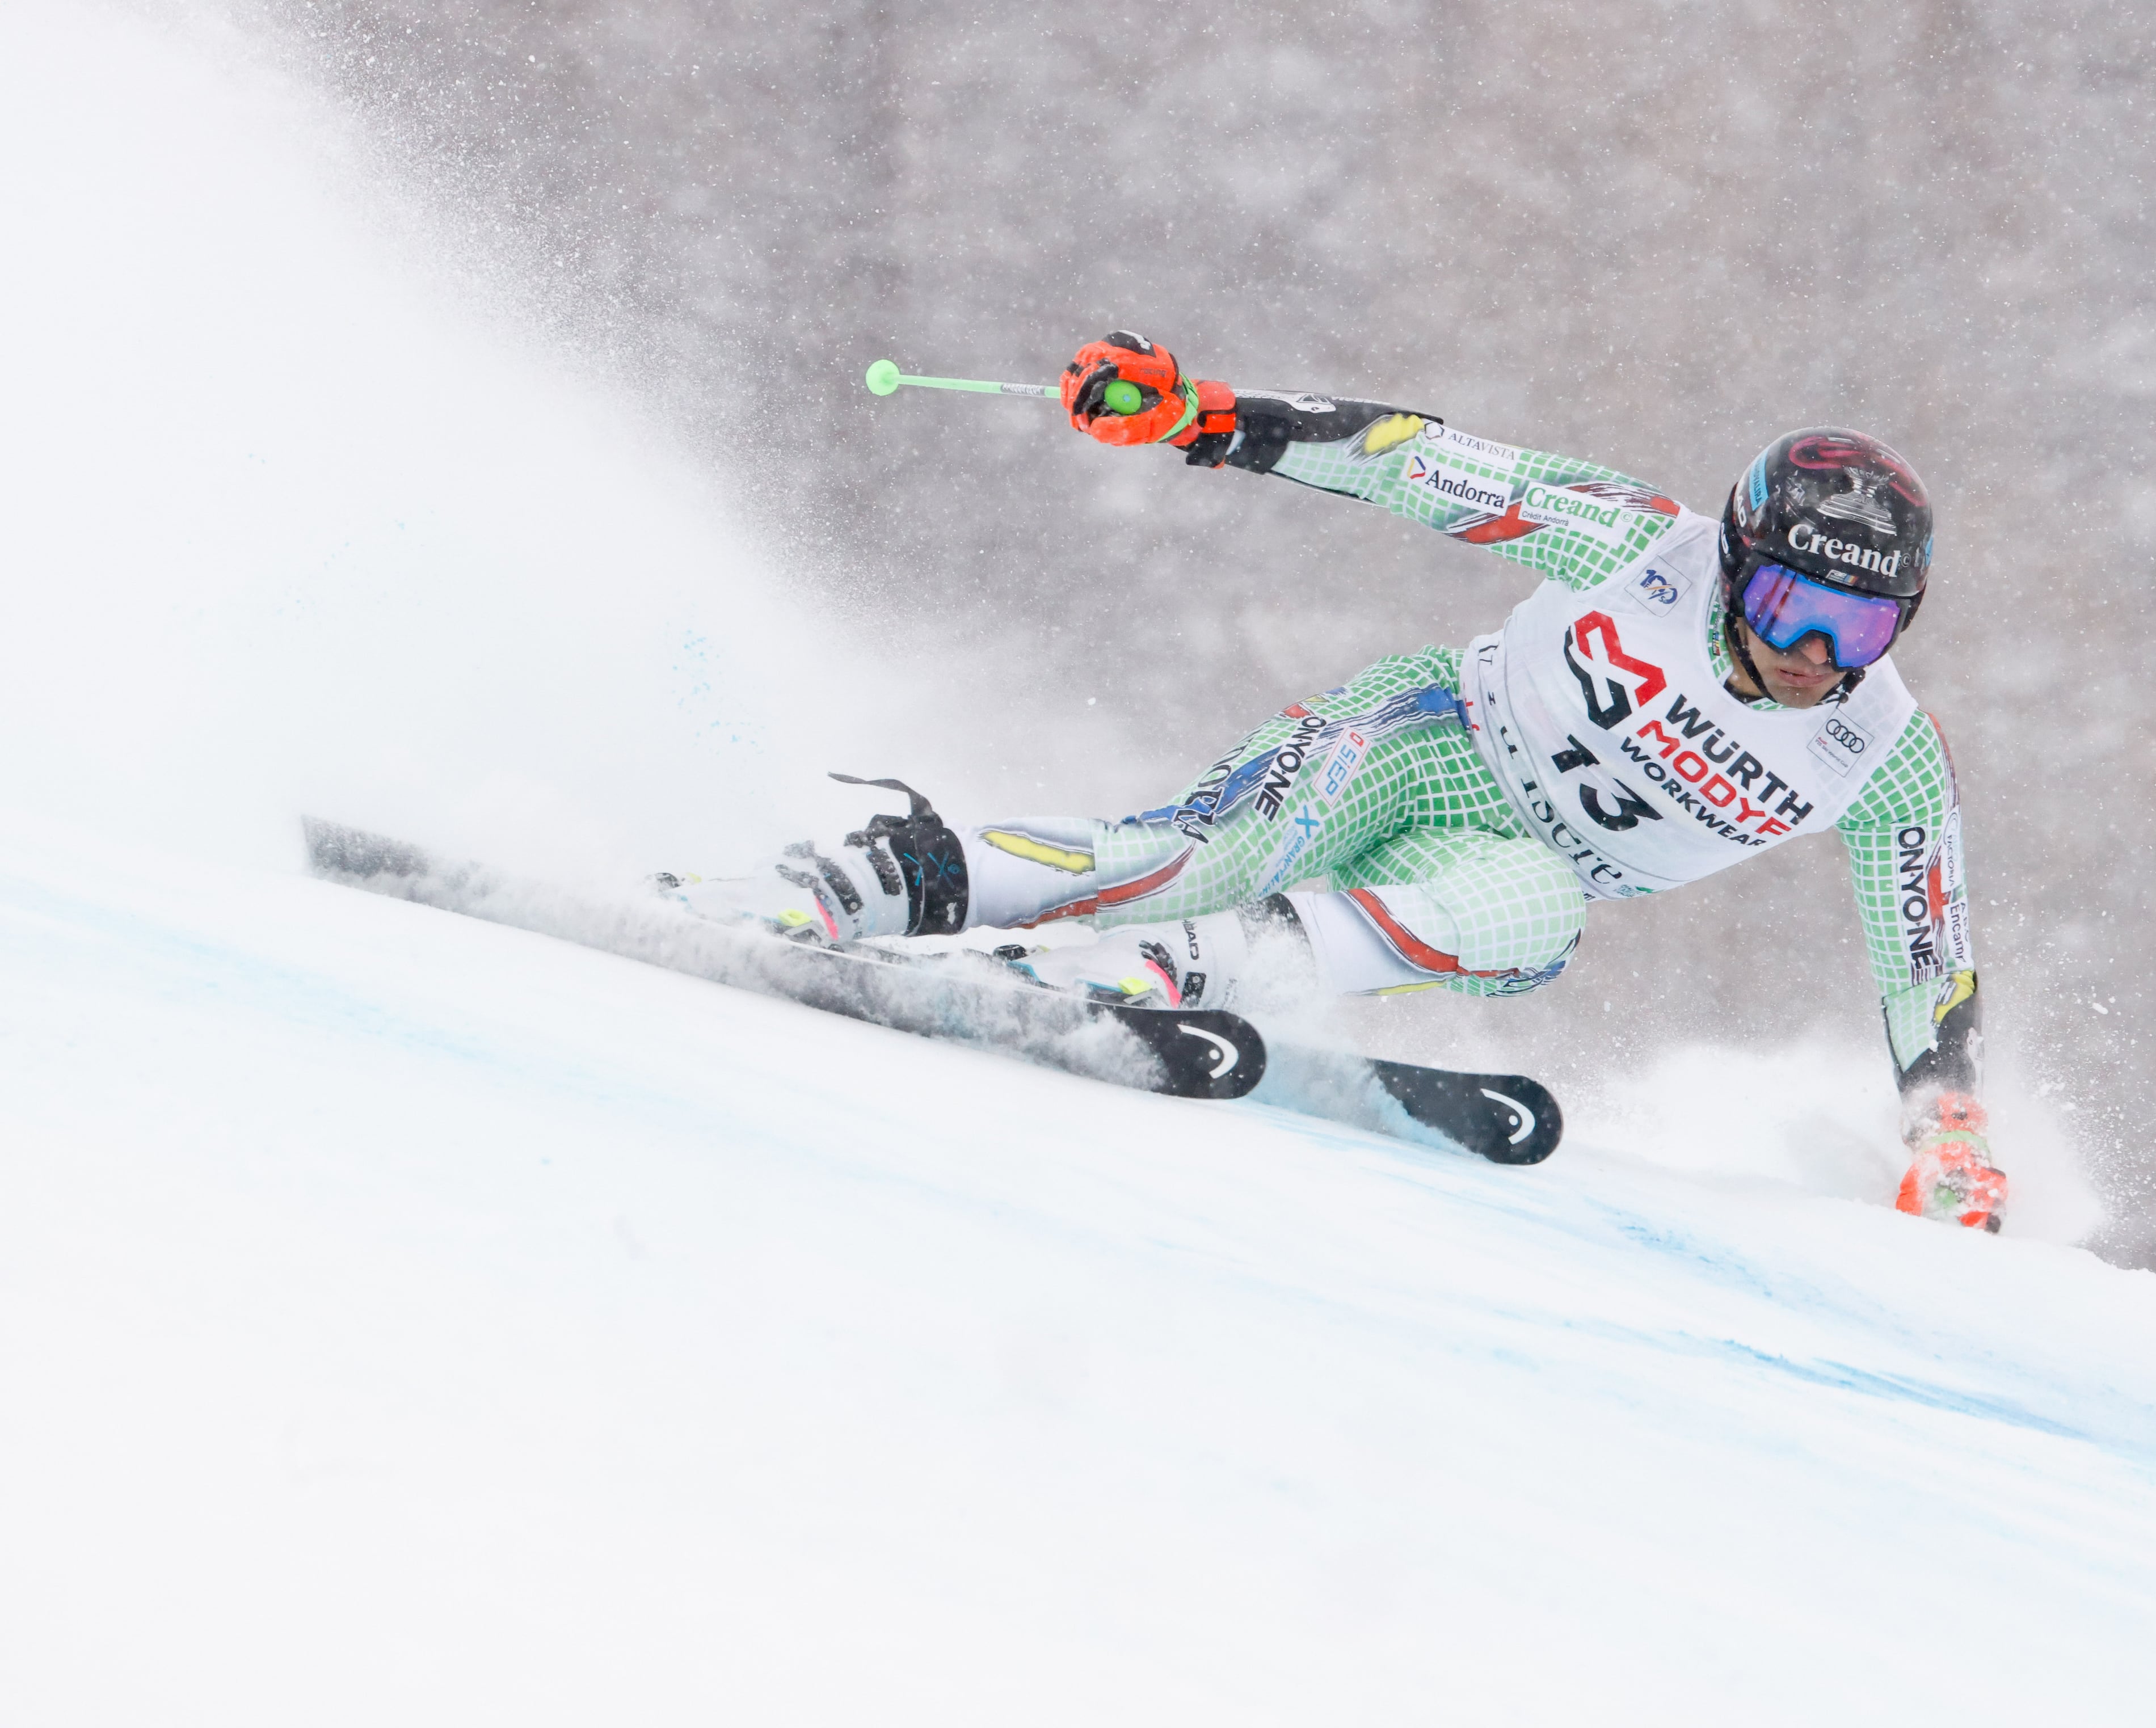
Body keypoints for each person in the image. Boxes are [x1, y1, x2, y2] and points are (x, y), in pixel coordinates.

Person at [673, 333, 2006, 1230]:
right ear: (1735, 558)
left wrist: (1944, 1134)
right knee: (1205, 852)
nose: (1805, 653)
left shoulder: (1880, 757)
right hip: (1427, 737)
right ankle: (866, 882)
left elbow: (1924, 964)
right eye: (1785, 601)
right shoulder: (1637, 544)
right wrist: (1207, 421)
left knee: (1540, 912)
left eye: (1858, 628)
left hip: (1494, 871)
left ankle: (1162, 974)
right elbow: (1414, 463)